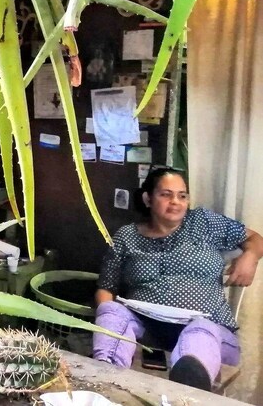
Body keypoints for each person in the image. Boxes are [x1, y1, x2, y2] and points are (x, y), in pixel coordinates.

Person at [93, 167, 263, 390]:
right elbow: (106, 287)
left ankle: (187, 390)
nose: (176, 202)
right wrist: (109, 319)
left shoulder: (202, 222)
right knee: (112, 311)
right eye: (166, 194)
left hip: (209, 332)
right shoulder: (127, 236)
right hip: (147, 331)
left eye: (182, 196)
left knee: (199, 331)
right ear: (148, 198)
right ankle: (105, 383)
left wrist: (251, 256)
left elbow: (255, 239)